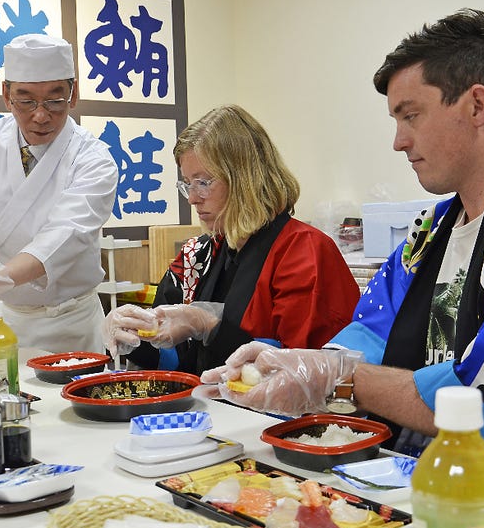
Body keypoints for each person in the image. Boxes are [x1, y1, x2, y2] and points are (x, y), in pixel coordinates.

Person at [200, 10, 484, 468]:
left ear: (476, 106)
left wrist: (337, 377)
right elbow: (371, 333)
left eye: (411, 116)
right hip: (409, 477)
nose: (398, 141)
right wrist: (291, 364)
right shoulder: (429, 231)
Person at [103, 104, 360, 375]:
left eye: (203, 182)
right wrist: (133, 332)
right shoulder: (196, 255)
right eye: (187, 184)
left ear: (245, 178)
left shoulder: (304, 251)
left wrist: (210, 325)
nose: (192, 197)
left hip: (269, 415)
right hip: (206, 412)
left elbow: (309, 372)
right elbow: (172, 359)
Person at [0, 34, 118, 353]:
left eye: (54, 100)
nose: (40, 116)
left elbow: (62, 238)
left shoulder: (93, 159)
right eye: (26, 101)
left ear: (74, 93)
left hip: (65, 324)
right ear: (6, 95)